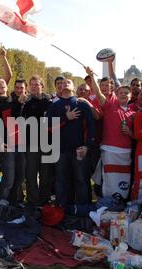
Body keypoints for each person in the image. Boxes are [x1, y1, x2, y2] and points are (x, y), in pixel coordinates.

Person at [87, 67, 135, 200]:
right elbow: (98, 94)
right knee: (108, 178)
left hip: (125, 151)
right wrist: (91, 76)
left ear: (130, 96)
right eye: (121, 92)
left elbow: (137, 135)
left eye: (126, 92)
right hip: (109, 149)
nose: (124, 94)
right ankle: (107, 201)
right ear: (116, 94)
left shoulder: (134, 113)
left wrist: (130, 132)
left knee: (124, 178)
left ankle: (122, 200)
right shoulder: (110, 106)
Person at [47, 78, 95, 208]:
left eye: (68, 82)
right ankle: (62, 209)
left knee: (81, 180)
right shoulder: (54, 105)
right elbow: (47, 127)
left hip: (79, 149)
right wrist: (65, 119)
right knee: (62, 181)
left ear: (73, 87)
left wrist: (87, 145)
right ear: (59, 88)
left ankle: (83, 210)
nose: (65, 84)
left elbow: (91, 127)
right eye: (62, 83)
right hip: (61, 150)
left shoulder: (82, 104)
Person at [21, 75, 53, 206]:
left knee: (46, 175)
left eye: (36, 84)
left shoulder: (50, 102)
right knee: (31, 174)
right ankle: (32, 201)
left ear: (42, 86)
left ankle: (44, 201)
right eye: (31, 84)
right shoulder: (26, 103)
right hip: (31, 142)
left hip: (47, 142)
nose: (34, 87)